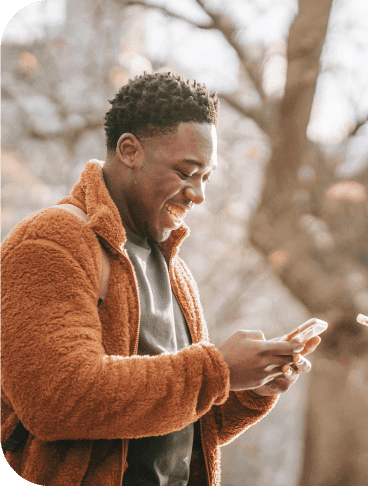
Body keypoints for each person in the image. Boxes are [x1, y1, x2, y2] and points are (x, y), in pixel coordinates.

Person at [0, 72, 320, 486]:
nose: (198, 194)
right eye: (187, 172)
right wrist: (217, 370)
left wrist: (250, 388)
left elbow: (180, 429)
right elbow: (59, 398)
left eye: (206, 177)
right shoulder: (50, 243)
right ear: (130, 150)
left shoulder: (176, 272)